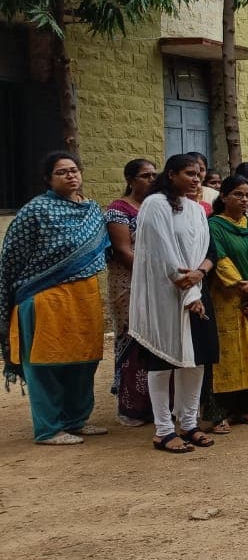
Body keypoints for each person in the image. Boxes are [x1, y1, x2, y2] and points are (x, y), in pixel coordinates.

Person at [0, 151, 110, 445]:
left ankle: (76, 420)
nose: (71, 175)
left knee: (84, 361)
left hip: (85, 297)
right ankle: (49, 429)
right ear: (48, 178)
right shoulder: (35, 211)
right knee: (46, 363)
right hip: (45, 297)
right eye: (62, 172)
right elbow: (11, 257)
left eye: (74, 170)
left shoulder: (92, 210)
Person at [130, 153, 219, 453]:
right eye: (189, 174)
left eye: (199, 174)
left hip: (196, 288)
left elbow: (210, 250)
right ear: (171, 175)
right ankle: (164, 430)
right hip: (166, 295)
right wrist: (187, 288)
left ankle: (189, 423)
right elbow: (163, 252)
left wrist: (198, 276)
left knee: (196, 360)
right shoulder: (155, 204)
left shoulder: (196, 209)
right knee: (163, 360)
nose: (197, 179)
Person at [208, 174, 248, 427]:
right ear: (223, 197)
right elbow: (221, 262)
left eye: (247, 194)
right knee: (230, 353)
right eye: (237, 194)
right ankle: (223, 410)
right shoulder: (214, 225)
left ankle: (247, 408)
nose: (244, 199)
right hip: (228, 297)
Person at [104, 158, 157, 426]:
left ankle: (156, 404)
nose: (151, 179)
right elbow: (124, 252)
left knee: (155, 340)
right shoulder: (118, 210)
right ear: (130, 180)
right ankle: (131, 406)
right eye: (145, 175)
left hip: (158, 284)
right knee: (132, 337)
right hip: (130, 283)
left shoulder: (156, 206)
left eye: (153, 175)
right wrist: (156, 275)